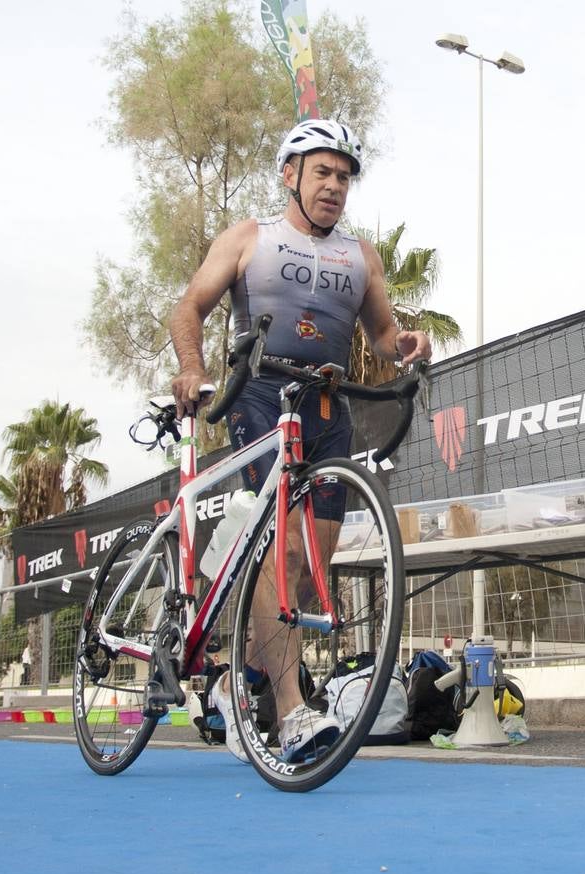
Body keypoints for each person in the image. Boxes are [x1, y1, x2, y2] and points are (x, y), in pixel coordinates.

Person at [168, 119, 433, 763]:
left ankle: (237, 680)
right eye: (322, 172)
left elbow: (380, 335)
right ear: (291, 174)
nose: (334, 186)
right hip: (262, 397)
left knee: (310, 564)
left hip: (326, 403)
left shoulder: (359, 257)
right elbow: (189, 308)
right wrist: (193, 369)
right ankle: (289, 712)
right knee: (282, 547)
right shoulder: (249, 239)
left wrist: (404, 345)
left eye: (344, 176)